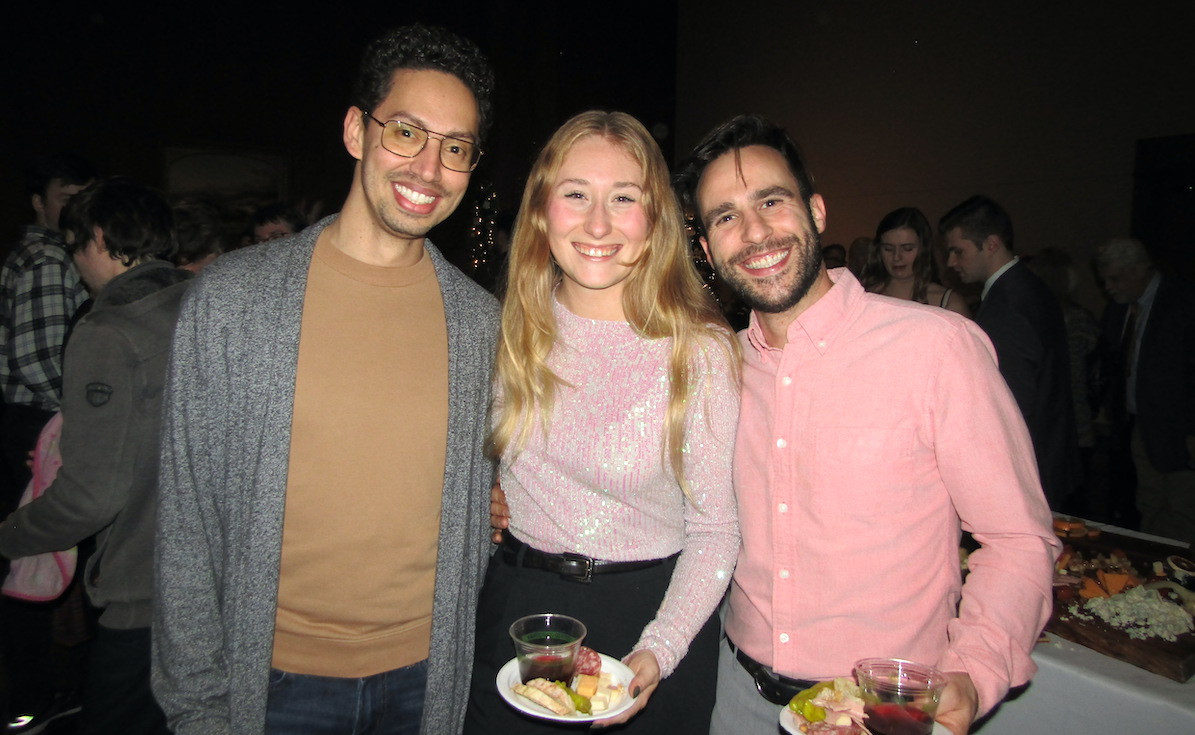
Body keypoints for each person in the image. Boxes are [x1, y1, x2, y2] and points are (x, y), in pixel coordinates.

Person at [152, 25, 499, 735]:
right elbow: (186, 521)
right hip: (271, 685)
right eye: (405, 131)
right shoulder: (233, 301)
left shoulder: (480, 325)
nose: (428, 168)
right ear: (355, 131)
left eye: (454, 147)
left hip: (423, 682)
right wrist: (198, 710)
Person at [671, 115, 1058, 735]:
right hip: (738, 698)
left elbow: (1018, 539)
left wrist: (973, 668)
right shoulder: (718, 370)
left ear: (817, 211)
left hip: (881, 712)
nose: (754, 232)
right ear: (709, 246)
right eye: (725, 217)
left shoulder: (938, 348)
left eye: (772, 201)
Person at [464, 111, 739, 734]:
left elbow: (719, 530)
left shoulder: (699, 350)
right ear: (541, 210)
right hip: (518, 612)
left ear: (656, 216)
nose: (597, 223)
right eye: (575, 195)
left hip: (650, 616)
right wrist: (477, 499)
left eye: (623, 198)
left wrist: (660, 647)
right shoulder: (503, 331)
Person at [0, 177, 192, 735]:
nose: (75, 261)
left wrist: (11, 536)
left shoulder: (109, 331)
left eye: (74, 244)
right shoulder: (205, 302)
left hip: (146, 590)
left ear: (101, 238)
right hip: (220, 580)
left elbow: (91, 495)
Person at [0, 152, 95, 735]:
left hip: (33, 421)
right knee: (36, 559)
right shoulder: (47, 258)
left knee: (40, 558)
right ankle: (32, 698)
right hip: (39, 422)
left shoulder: (43, 255)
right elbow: (39, 361)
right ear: (39, 202)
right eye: (66, 194)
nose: (75, 206)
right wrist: (88, 415)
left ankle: (39, 691)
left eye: (84, 195)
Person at [942, 195, 1077, 508]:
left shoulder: (1009, 305)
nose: (950, 262)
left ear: (990, 244)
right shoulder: (1028, 287)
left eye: (957, 251)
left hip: (1029, 469)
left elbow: (1010, 403)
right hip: (1049, 454)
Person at [1094, 237, 1195, 546]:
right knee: (1148, 502)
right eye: (1105, 280)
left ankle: (1182, 575)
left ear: (1139, 269)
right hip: (1138, 423)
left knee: (1182, 506)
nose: (1109, 287)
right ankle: (1156, 563)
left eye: (1115, 278)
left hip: (1181, 427)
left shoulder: (1182, 303)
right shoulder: (1120, 311)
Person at [861, 206, 970, 317]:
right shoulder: (863, 297)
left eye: (907, 248)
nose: (896, 257)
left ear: (923, 249)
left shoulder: (950, 304)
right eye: (888, 249)